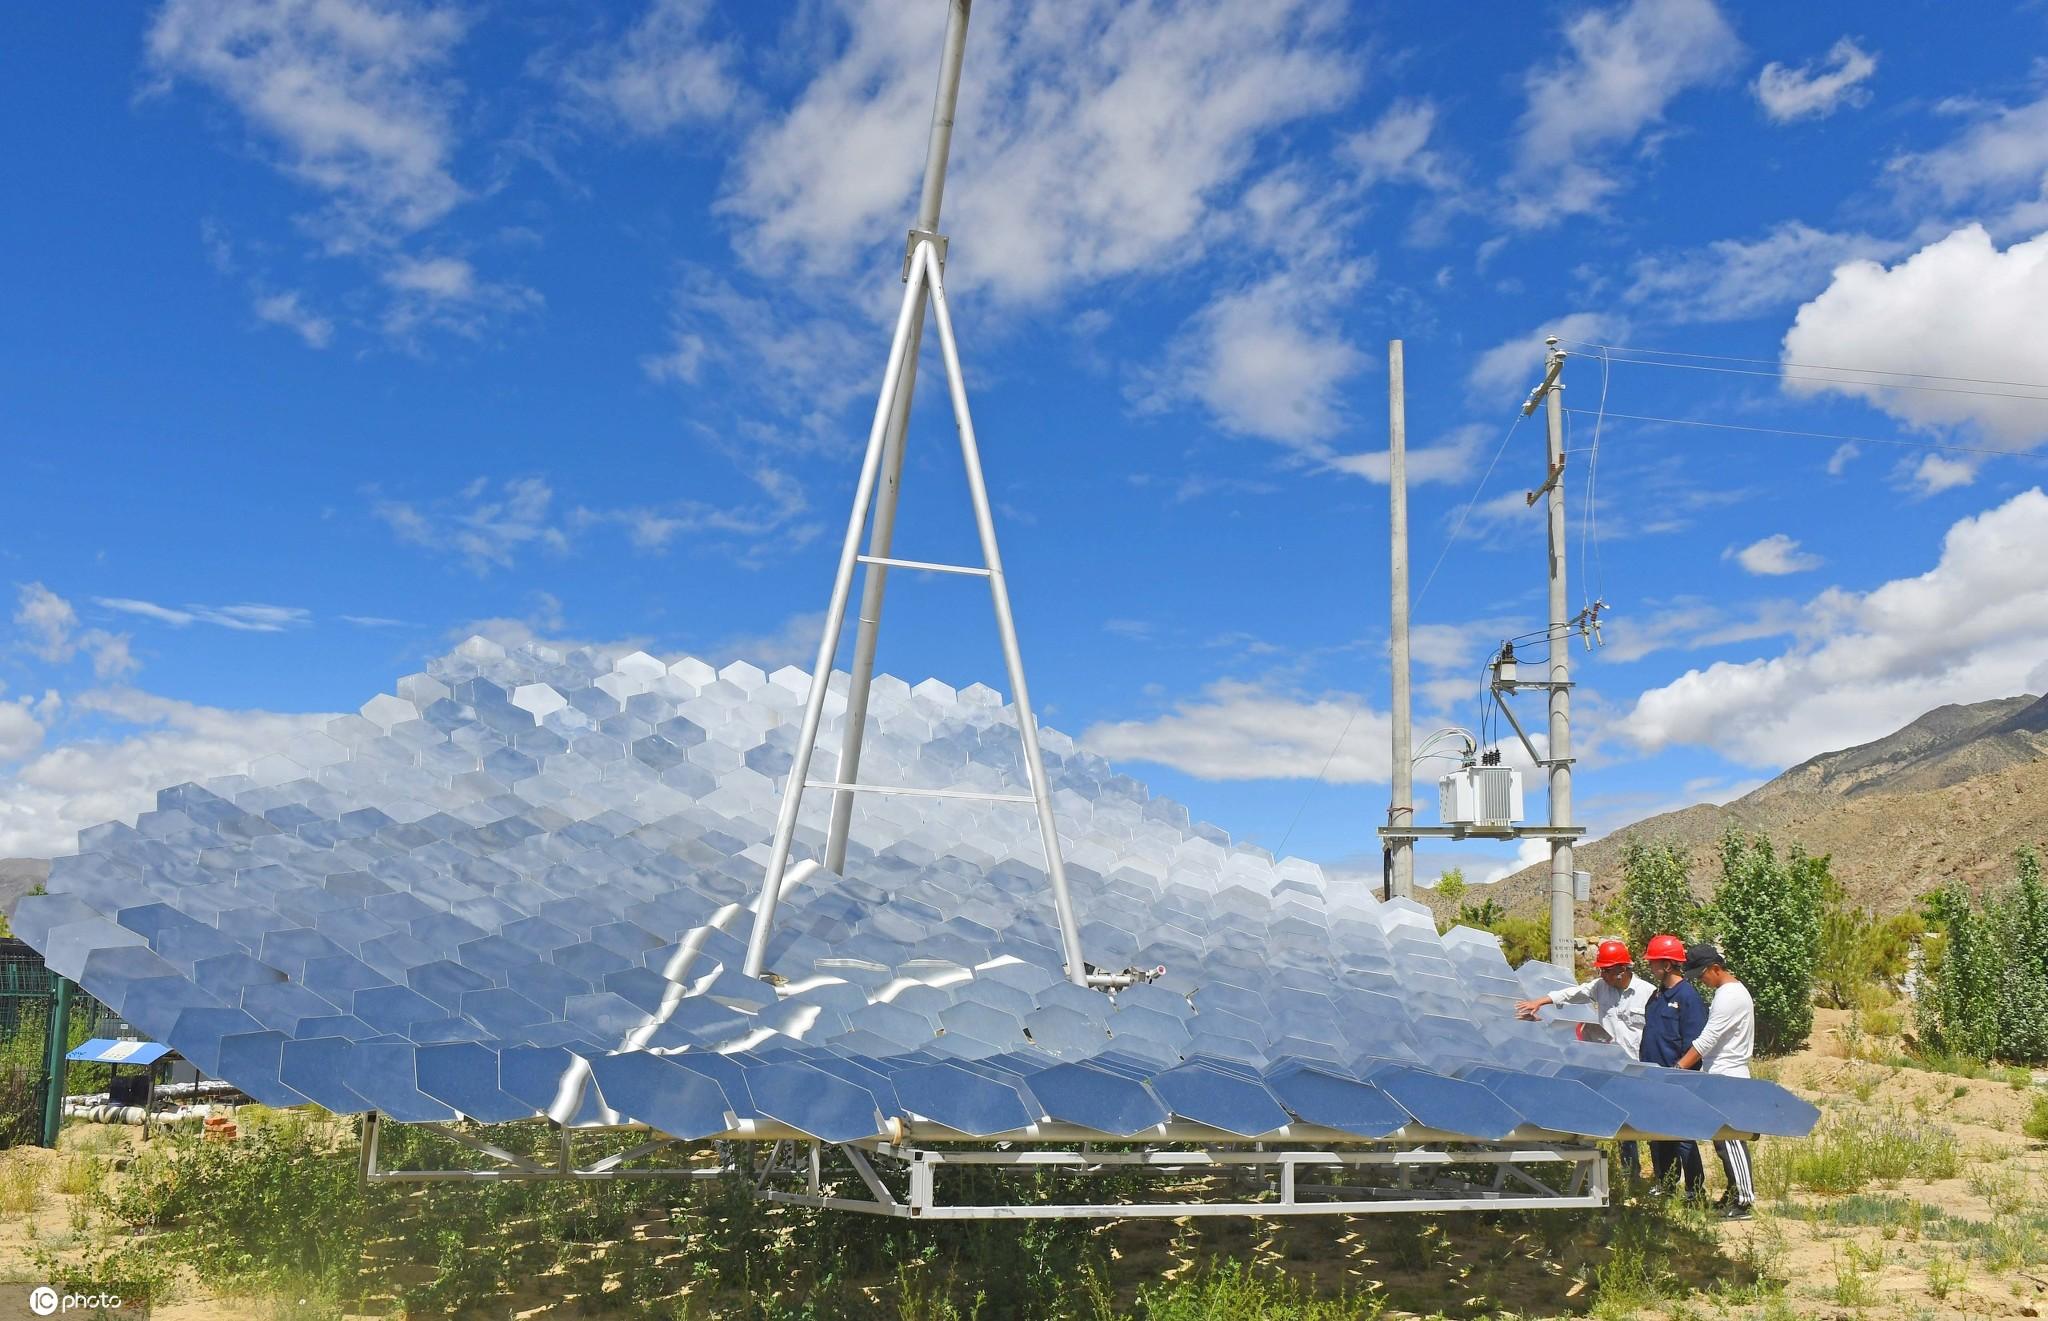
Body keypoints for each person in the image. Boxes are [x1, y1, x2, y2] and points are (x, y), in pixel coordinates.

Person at [1516, 938, 1652, 1180]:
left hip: (1641, 1066)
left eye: (1607, 970)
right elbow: (1572, 994)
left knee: (1649, 1123)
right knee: (1621, 1122)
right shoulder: (1601, 987)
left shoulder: (1647, 993)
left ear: (1622, 970)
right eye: (1601, 970)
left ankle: (1663, 1176)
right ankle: (1630, 1173)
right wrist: (1540, 1001)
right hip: (1613, 1066)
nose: (1603, 975)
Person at [1675, 942, 1756, 1219]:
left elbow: (1707, 1039)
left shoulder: (1728, 996)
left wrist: (1679, 1068)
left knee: (1731, 1139)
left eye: (1701, 975)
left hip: (1727, 1077)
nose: (1700, 981)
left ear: (1716, 968)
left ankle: (1744, 1199)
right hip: (1721, 1074)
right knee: (1723, 1142)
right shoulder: (1730, 993)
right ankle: (1734, 1192)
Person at [1637, 933, 1707, 1200]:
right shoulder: (1657, 995)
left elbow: (1696, 1043)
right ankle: (1665, 1184)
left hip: (1678, 1078)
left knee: (1682, 1137)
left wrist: (1680, 1072)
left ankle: (1694, 1191)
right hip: (1653, 1076)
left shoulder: (1688, 997)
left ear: (1667, 965)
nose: (1650, 966)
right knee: (1658, 1134)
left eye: (1654, 962)